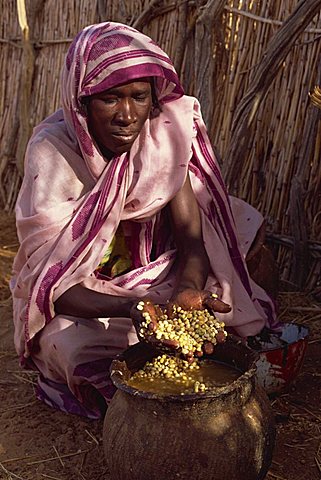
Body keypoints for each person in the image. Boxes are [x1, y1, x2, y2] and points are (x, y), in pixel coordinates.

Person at [11, 21, 279, 419]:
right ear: (81, 101)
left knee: (219, 315)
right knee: (67, 345)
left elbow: (191, 240)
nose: (126, 115)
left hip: (157, 276)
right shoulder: (53, 153)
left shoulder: (163, 138)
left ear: (155, 101)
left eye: (139, 98)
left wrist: (184, 293)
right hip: (90, 295)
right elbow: (51, 285)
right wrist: (137, 308)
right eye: (109, 99)